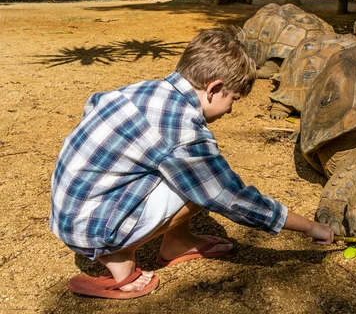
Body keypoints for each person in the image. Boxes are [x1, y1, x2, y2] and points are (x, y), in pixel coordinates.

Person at [49, 27, 334, 299]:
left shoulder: (147, 90)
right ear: (214, 88)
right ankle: (116, 255)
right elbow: (229, 196)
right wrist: (310, 227)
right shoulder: (182, 129)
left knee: (183, 171)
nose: (231, 108)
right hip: (91, 229)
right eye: (233, 98)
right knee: (205, 182)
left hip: (71, 211)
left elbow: (94, 104)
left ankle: (177, 243)